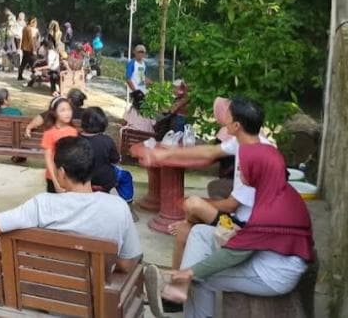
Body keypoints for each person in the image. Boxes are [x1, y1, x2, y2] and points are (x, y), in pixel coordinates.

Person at [0, 136, 142, 273]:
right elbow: (126, 264)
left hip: (44, 294)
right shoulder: (118, 207)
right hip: (97, 300)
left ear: (61, 173)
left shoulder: (43, 205)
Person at [144, 143, 314, 318]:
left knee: (201, 278)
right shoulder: (274, 190)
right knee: (200, 232)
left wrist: (189, 273)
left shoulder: (270, 208)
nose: (239, 170)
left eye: (244, 167)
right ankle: (178, 290)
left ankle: (178, 291)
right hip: (268, 255)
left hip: (272, 274)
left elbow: (236, 254)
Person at [141, 98, 274, 276]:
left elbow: (231, 205)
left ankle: (179, 280)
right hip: (239, 216)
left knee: (193, 204)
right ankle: (175, 280)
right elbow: (209, 152)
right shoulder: (244, 141)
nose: (224, 119)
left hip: (246, 225)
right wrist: (167, 154)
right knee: (184, 228)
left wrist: (192, 205)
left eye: (228, 115)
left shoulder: (256, 157)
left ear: (236, 126)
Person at [80, 107, 136, 211]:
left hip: (81, 179)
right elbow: (115, 160)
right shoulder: (107, 140)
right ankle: (127, 204)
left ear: (83, 122)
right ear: (103, 123)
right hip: (104, 180)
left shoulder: (75, 139)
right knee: (125, 176)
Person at [41, 98, 79, 193]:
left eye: (69, 109)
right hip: (54, 177)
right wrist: (55, 182)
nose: (67, 113)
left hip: (70, 177)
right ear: (54, 113)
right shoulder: (49, 133)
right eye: (62, 110)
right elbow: (48, 159)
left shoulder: (73, 131)